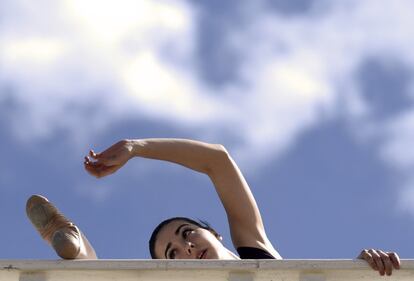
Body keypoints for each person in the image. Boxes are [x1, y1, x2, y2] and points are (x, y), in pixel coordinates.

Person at [26, 138, 400, 275]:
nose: (186, 247)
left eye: (187, 234)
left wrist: (136, 146)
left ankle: (79, 251)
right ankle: (79, 256)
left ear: (216, 233)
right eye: (173, 254)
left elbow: (218, 161)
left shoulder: (260, 255)